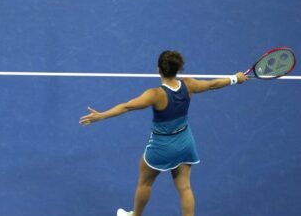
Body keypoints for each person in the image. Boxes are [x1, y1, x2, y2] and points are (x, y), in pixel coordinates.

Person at [79, 50, 248, 216]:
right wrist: (235, 78)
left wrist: (101, 116)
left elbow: (127, 106)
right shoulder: (189, 85)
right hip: (184, 143)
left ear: (158, 69)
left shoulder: (155, 94)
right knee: (185, 187)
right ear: (179, 69)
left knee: (145, 183)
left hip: (161, 147)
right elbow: (212, 84)